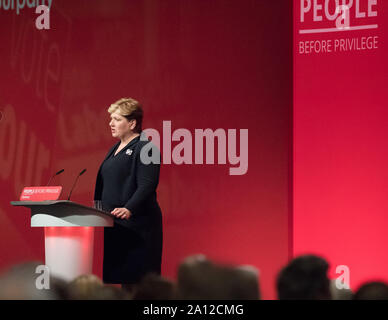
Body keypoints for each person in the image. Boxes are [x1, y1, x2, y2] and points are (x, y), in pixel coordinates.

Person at [94, 98, 163, 292]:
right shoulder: (113, 149)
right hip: (119, 224)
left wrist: (129, 208)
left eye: (116, 119)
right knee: (125, 283)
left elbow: (147, 184)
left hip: (138, 226)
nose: (111, 123)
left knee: (140, 285)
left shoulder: (145, 148)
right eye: (111, 119)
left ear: (132, 123)